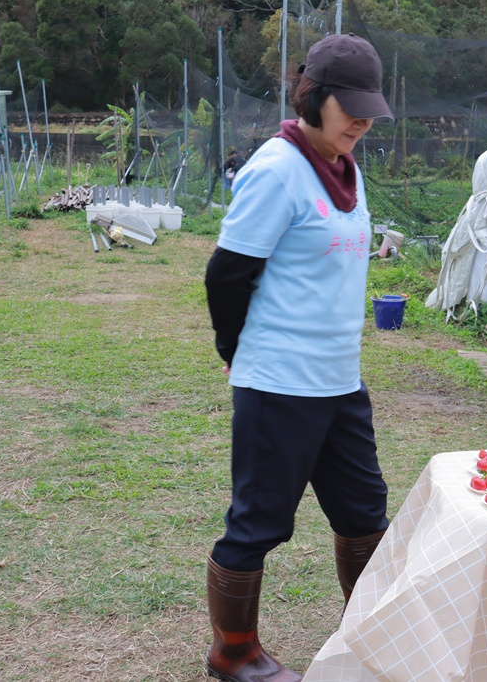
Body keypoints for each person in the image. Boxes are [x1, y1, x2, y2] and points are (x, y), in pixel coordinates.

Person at [203, 33, 393, 682]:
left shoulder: (349, 167)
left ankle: (366, 635)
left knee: (365, 513)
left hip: (340, 382)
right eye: (353, 106)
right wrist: (237, 353)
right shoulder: (276, 169)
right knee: (258, 522)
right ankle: (234, 651)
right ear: (313, 97)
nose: (363, 121)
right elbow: (226, 277)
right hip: (280, 382)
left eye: (372, 107)